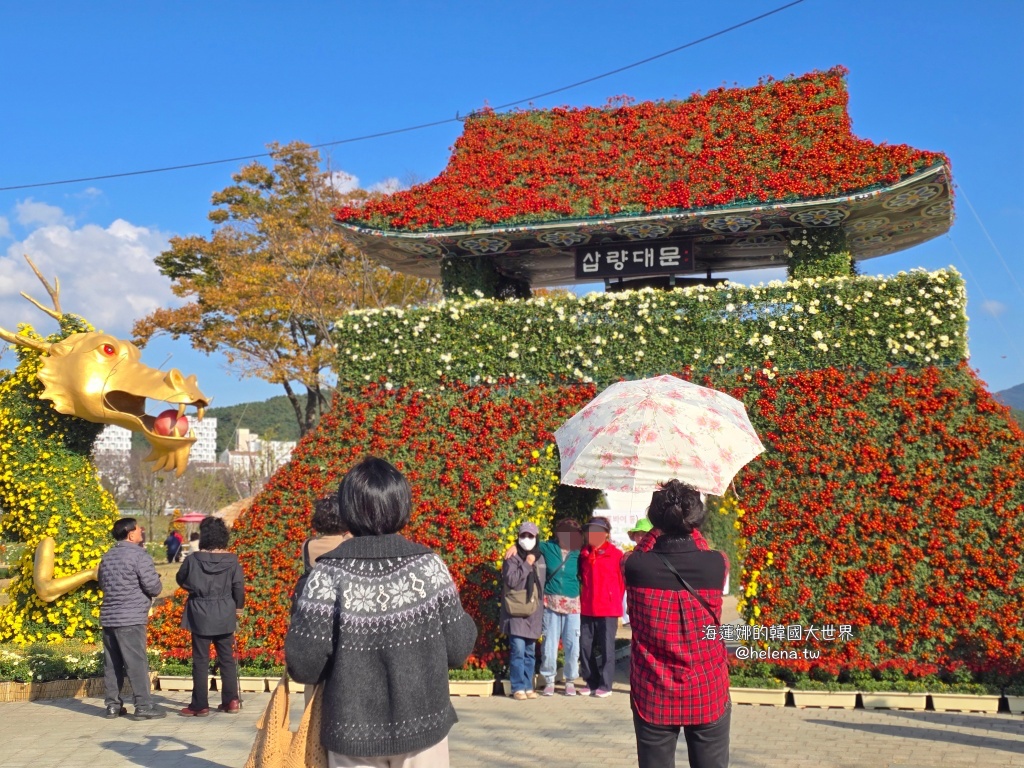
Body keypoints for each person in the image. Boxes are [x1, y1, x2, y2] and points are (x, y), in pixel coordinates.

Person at [286, 457, 478, 767]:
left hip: (351, 734)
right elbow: (457, 648)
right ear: (402, 504)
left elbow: (304, 665)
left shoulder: (326, 575)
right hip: (424, 729)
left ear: (348, 509)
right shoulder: (429, 568)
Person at [625, 480, 730, 768]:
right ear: (695, 518)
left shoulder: (633, 565)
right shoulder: (717, 563)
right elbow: (701, 545)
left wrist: (654, 534)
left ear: (655, 520)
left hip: (653, 689)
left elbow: (640, 551)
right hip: (707, 685)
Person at [176, 516, 246, 717]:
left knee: (200, 659)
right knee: (226, 658)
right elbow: (238, 587)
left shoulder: (193, 559)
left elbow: (180, 578)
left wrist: (193, 589)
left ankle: (200, 705)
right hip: (225, 610)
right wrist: (238, 608)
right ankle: (231, 701)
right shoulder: (232, 560)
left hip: (200, 612)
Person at [97, 516, 165, 720]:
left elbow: (102, 584)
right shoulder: (139, 555)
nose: (141, 532)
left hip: (109, 617)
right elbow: (153, 586)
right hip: (131, 617)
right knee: (136, 663)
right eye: (138, 529)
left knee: (112, 664)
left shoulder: (107, 556)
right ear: (130, 533)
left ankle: (112, 706)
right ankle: (143, 705)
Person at [292, 493, 352, 705]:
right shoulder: (349, 543)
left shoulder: (307, 545)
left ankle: (311, 715)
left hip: (314, 614)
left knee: (315, 670)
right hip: (340, 611)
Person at [577, 516, 624, 698]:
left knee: (607, 647)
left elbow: (622, 583)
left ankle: (606, 684)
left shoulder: (616, 555)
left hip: (608, 608)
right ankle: (591, 681)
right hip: (588, 607)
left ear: (606, 534)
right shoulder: (584, 555)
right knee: (585, 646)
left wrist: (614, 599)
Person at [500, 521, 546, 701]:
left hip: (533, 612)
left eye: (531, 536)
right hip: (516, 611)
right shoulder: (512, 557)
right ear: (518, 537)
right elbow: (511, 580)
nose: (527, 539)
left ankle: (528, 686)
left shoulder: (540, 557)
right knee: (518, 650)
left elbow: (542, 584)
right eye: (523, 536)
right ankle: (517, 686)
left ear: (536, 538)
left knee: (530, 651)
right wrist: (527, 564)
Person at [537, 518, 582, 696]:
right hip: (551, 602)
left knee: (573, 644)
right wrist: (513, 547)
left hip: (573, 603)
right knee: (549, 642)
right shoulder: (548, 547)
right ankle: (549, 680)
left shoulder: (579, 552)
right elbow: (527, 544)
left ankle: (570, 680)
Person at [621, 517, 654, 626]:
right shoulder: (629, 557)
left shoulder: (658, 555)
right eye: (637, 534)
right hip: (636, 603)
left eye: (644, 533)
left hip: (654, 604)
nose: (640, 537)